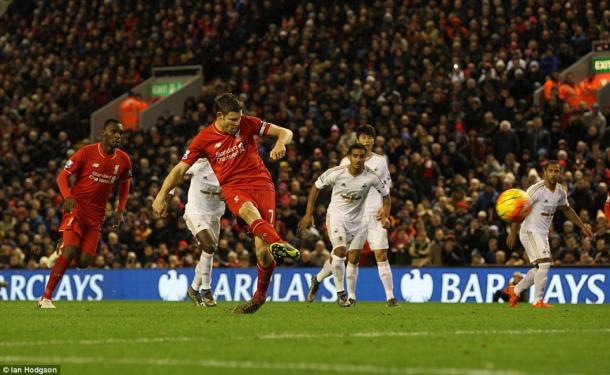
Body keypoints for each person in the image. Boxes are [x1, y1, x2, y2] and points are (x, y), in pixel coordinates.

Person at [152, 93, 299, 314]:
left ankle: (258, 299)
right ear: (219, 116)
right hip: (232, 188)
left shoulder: (248, 123)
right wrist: (161, 195)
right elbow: (179, 170)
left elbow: (286, 132)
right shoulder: (203, 139)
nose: (236, 124)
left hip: (261, 183)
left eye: (238, 119)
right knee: (249, 213)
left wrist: (280, 142)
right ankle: (279, 242)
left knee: (262, 252)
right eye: (232, 120)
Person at [38, 119, 132, 308]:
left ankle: (58, 256)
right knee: (72, 250)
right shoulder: (86, 152)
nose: (118, 136)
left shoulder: (123, 160)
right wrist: (66, 196)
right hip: (77, 209)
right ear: (104, 133)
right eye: (114, 132)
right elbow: (62, 176)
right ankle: (46, 298)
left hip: (97, 215)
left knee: (83, 262)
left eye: (120, 133)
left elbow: (125, 184)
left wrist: (120, 208)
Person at [306, 125, 398, 307]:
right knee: (347, 256)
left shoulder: (380, 162)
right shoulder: (343, 165)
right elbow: (336, 186)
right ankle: (344, 294)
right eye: (364, 137)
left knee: (378, 254)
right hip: (346, 215)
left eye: (370, 137)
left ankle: (390, 297)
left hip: (372, 214)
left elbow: (386, 189)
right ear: (357, 142)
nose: (368, 140)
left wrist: (385, 211)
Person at [507, 160, 593, 308]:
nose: (554, 174)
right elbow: (520, 210)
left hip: (542, 233)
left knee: (539, 268)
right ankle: (537, 301)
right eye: (551, 171)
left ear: (560, 173)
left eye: (556, 171)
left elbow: (567, 209)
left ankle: (515, 290)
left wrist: (582, 226)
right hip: (529, 231)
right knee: (545, 264)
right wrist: (513, 232)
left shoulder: (560, 191)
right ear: (544, 173)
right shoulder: (535, 190)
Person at [171, 158, 225, 307]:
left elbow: (239, 187)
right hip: (196, 212)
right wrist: (168, 194)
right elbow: (176, 172)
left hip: (215, 215)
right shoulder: (200, 164)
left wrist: (229, 193)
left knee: (209, 252)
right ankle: (206, 290)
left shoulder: (230, 165)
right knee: (208, 246)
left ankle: (194, 289)